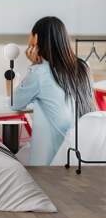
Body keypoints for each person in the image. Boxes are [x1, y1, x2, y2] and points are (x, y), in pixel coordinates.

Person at [11, 16, 94, 165]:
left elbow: (15, 104)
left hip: (50, 161)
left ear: (36, 39)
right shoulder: (83, 66)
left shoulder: (39, 72)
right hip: (81, 154)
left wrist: (34, 66)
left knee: (14, 159)